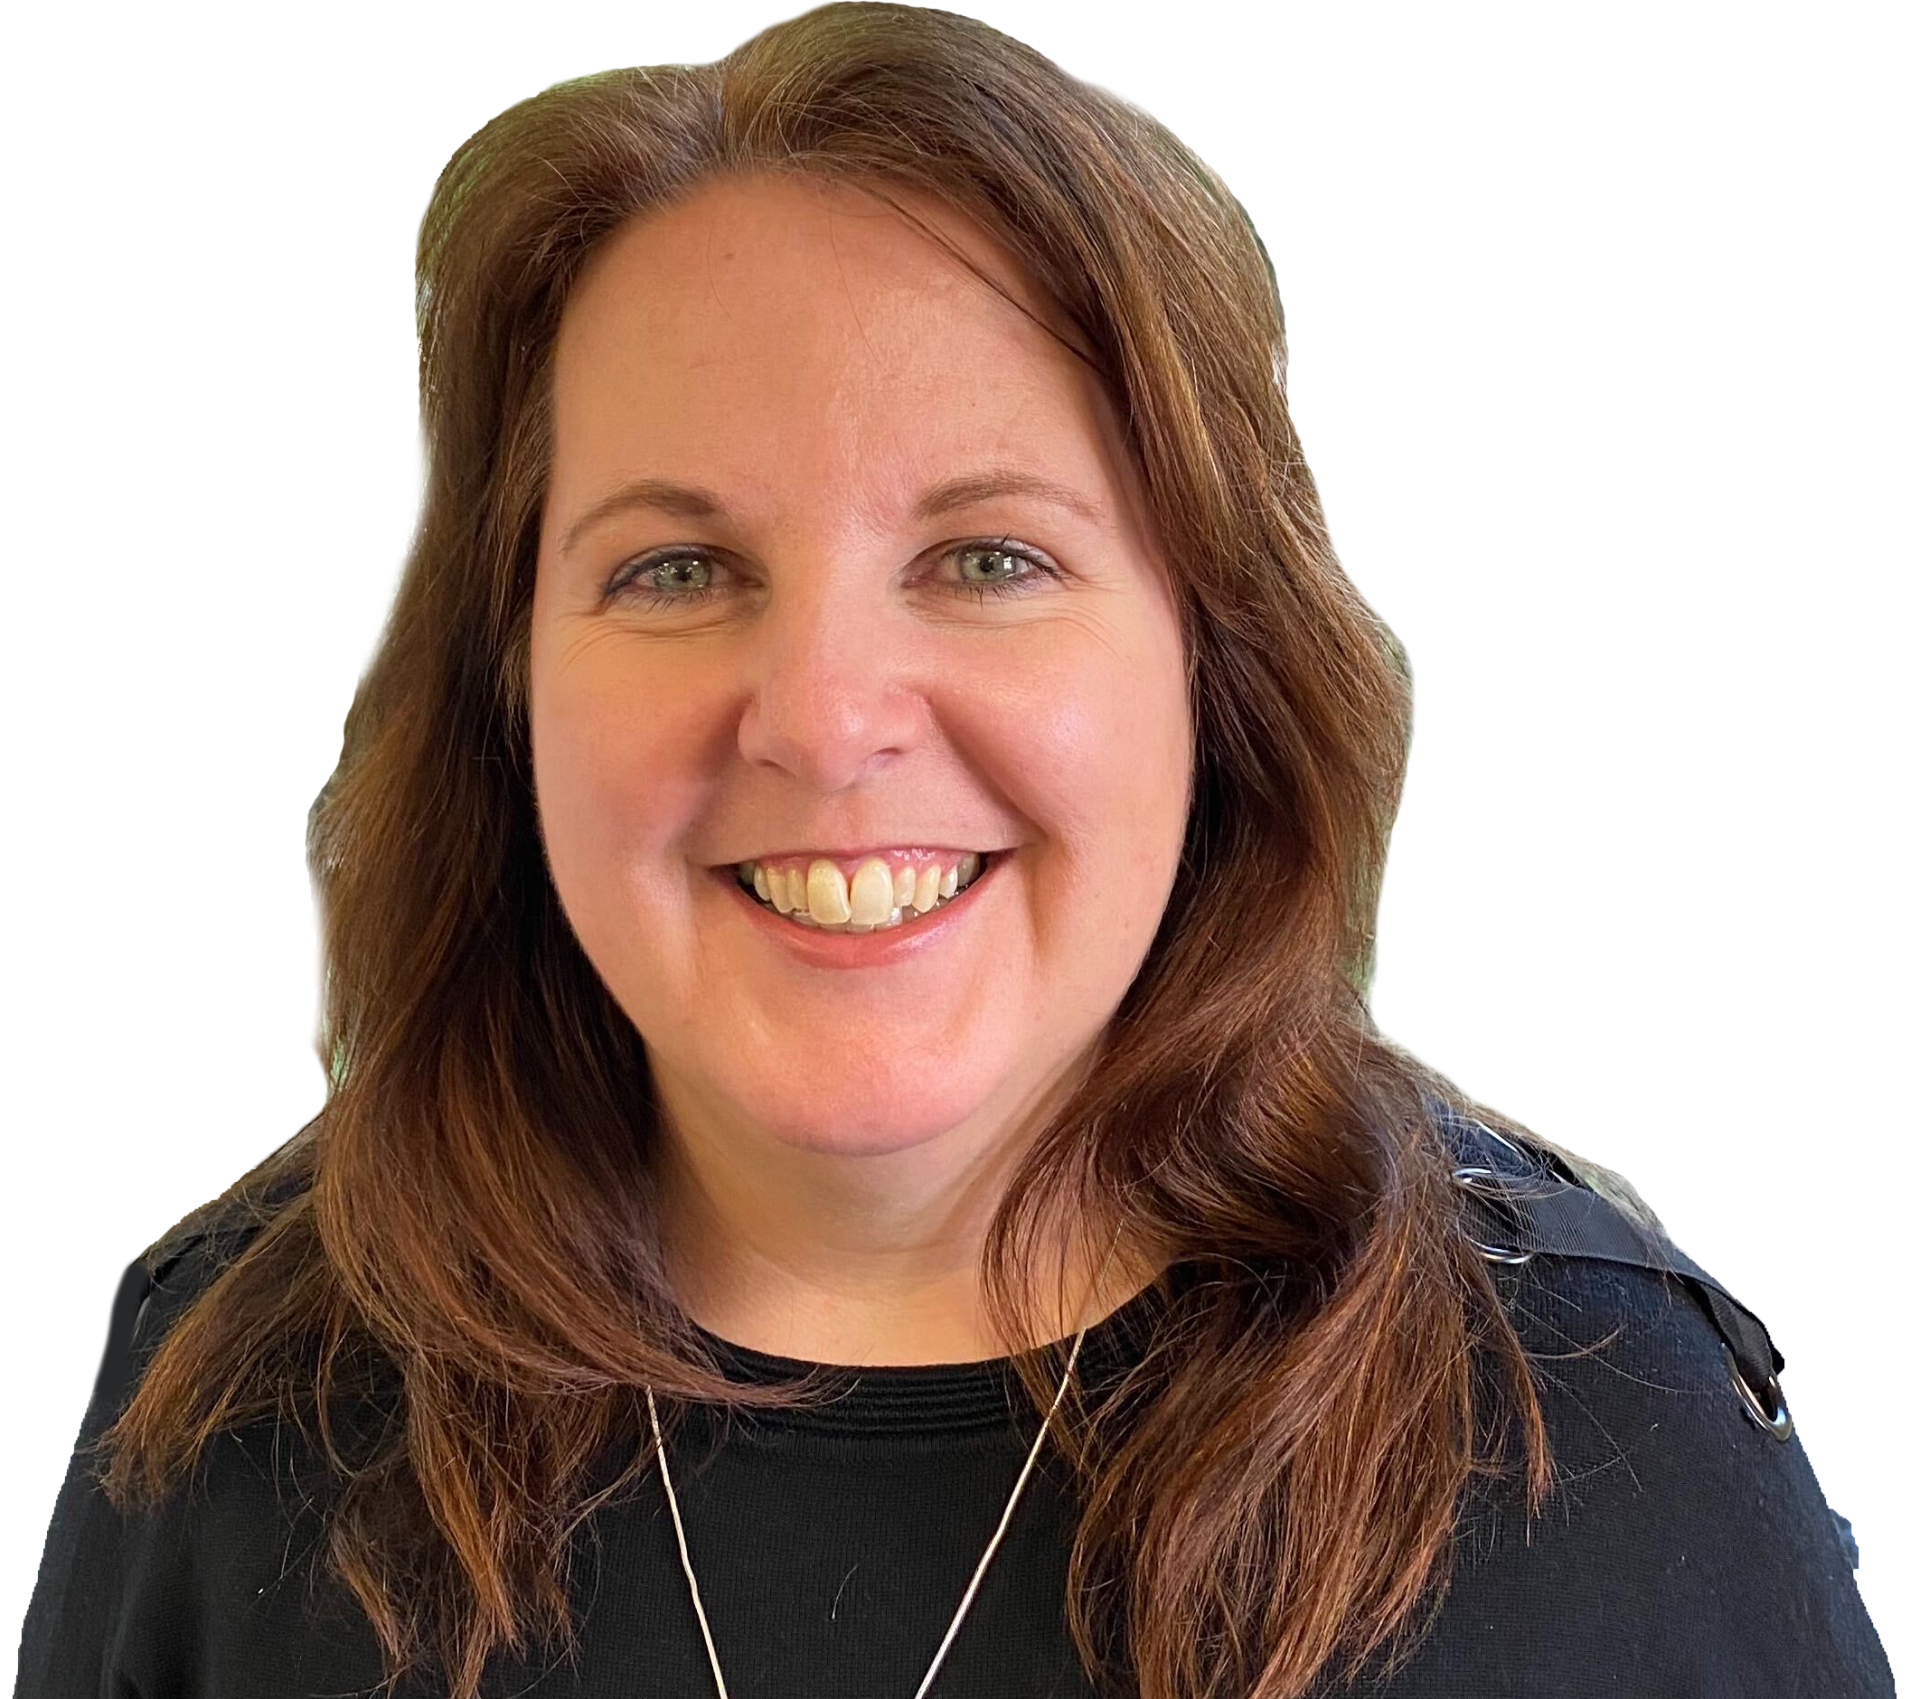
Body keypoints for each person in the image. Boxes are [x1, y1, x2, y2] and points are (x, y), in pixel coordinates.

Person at [18, 10, 1894, 1697]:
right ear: (505, 690)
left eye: (989, 557)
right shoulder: (233, 1410)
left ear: (1213, 665)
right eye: (676, 568)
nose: (826, 719)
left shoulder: (1615, 1437)